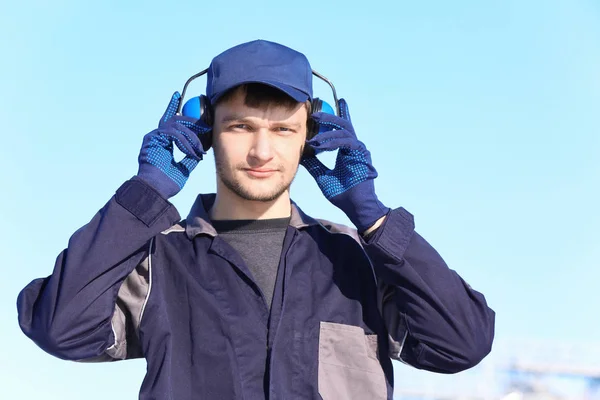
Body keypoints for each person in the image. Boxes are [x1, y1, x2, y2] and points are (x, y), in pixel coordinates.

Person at [17, 40, 495, 400]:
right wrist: (145, 195)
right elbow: (60, 328)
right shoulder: (158, 264)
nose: (262, 151)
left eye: (283, 130)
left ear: (310, 136)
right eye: (240, 126)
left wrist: (371, 217)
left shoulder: (358, 262)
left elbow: (462, 343)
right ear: (206, 130)